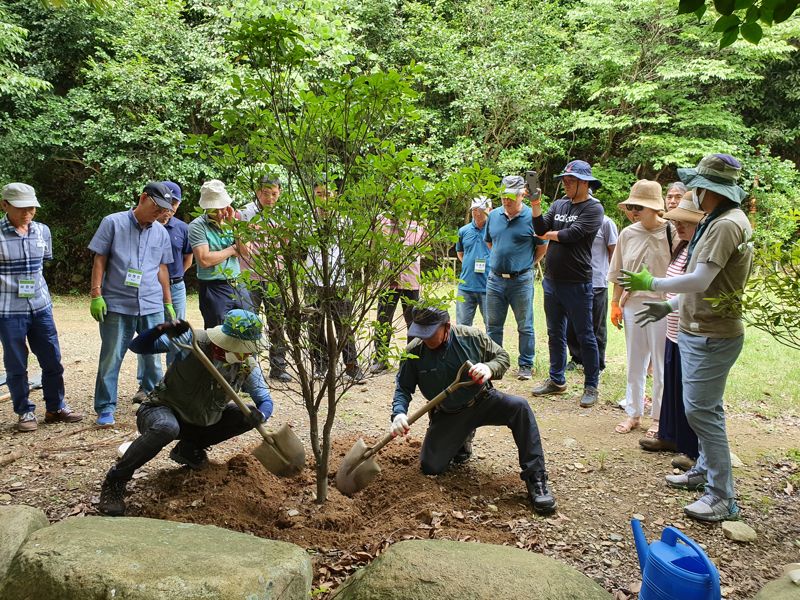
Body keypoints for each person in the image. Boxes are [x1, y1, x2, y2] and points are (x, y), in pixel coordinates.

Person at [621, 153, 753, 522]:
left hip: (713, 332)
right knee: (704, 409)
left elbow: (701, 279)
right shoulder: (718, 219)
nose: (694, 190)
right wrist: (671, 305)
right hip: (700, 327)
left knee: (702, 411)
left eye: (698, 184)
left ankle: (722, 496)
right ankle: (704, 474)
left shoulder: (727, 224)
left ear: (711, 188)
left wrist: (654, 284)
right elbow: (703, 282)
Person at [97, 309, 274, 516]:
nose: (243, 353)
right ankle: (116, 481)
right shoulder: (192, 341)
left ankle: (189, 448)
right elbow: (138, 347)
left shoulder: (246, 366)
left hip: (201, 421)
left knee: (248, 414)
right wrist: (160, 329)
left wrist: (261, 415)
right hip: (161, 410)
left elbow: (265, 400)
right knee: (166, 428)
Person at [390, 306, 556, 515]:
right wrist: (399, 413)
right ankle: (461, 441)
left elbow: (502, 357)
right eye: (421, 334)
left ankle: (536, 478)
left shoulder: (471, 337)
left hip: (483, 400)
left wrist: (489, 368)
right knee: (430, 466)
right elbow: (403, 388)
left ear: (446, 327)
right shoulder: (413, 353)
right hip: (450, 413)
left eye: (431, 334)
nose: (426, 339)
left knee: (519, 407)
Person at [88, 182, 174, 427]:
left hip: (151, 304)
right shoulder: (112, 223)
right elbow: (100, 259)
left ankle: (154, 403)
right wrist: (96, 294)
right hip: (117, 304)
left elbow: (162, 268)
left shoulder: (160, 232)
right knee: (111, 357)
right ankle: (105, 408)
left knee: (153, 358)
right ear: (143, 197)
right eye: (157, 208)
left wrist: (167, 302)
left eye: (164, 211)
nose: (160, 214)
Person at [0, 183, 82, 431]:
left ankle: (55, 408)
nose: (28, 213)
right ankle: (24, 411)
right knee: (16, 363)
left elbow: (42, 265)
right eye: (21, 208)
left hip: (40, 306)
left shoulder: (42, 231)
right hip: (8, 310)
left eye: (32, 208)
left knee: (52, 359)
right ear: (5, 205)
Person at [638, 194, 704, 473]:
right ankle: (669, 435)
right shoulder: (682, 246)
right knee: (673, 385)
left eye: (685, 222)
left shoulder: (700, 249)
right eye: (676, 221)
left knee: (689, 391)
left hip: (689, 326)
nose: (679, 226)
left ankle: (691, 449)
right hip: (674, 327)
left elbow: (694, 285)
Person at [531, 160, 604, 407]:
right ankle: (556, 380)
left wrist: (545, 235)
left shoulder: (594, 209)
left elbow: (570, 235)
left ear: (585, 182)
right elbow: (540, 225)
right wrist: (536, 204)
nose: (566, 183)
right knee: (554, 333)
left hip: (577, 282)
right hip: (551, 280)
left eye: (571, 180)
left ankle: (591, 385)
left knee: (585, 335)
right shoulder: (560, 203)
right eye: (564, 179)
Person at [607, 180, 673, 436]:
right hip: (633, 302)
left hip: (663, 304)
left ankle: (659, 417)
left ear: (655, 208)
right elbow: (618, 273)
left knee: (660, 363)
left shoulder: (672, 232)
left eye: (639, 207)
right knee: (635, 361)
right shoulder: (628, 233)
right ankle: (633, 413)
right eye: (632, 206)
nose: (634, 211)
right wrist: (615, 303)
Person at [484, 175, 548, 380]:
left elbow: (542, 248)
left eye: (511, 195)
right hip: (495, 280)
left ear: (523, 194)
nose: (506, 199)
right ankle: (496, 364)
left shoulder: (532, 217)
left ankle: (526, 365)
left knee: (525, 325)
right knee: (493, 325)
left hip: (521, 280)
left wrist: (523, 265)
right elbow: (490, 242)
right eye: (503, 194)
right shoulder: (493, 216)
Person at [134, 181, 193, 400]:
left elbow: (188, 256)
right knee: (150, 331)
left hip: (176, 286)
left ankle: (174, 380)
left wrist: (177, 277)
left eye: (176, 203)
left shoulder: (181, 228)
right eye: (170, 203)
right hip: (149, 288)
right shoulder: (145, 226)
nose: (171, 208)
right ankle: (146, 384)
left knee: (177, 332)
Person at [306, 181, 364, 383]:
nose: (324, 198)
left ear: (335, 196)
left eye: (327, 194)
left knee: (344, 326)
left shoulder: (344, 222)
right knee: (315, 325)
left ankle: (351, 366)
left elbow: (351, 252)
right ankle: (320, 365)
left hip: (339, 280)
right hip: (313, 281)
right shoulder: (306, 221)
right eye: (319, 194)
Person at [238, 175, 291, 382]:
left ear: (280, 193)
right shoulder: (245, 213)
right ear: (257, 191)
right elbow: (242, 245)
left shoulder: (281, 216)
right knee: (249, 322)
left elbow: (285, 244)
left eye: (274, 194)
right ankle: (247, 370)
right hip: (249, 276)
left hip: (273, 277)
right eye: (265, 193)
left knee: (277, 323)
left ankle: (278, 366)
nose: (270, 198)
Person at [189, 179, 251, 328]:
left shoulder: (234, 221)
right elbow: (204, 260)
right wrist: (231, 249)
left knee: (248, 328)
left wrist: (233, 226)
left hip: (237, 283)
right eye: (213, 209)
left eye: (222, 208)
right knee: (217, 334)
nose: (219, 213)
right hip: (213, 287)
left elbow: (245, 252)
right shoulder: (197, 226)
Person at [369, 216, 425, 374]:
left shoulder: (419, 223)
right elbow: (373, 248)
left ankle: (411, 359)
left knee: (413, 322)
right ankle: (380, 359)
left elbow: (424, 248)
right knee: (383, 320)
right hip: (388, 280)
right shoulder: (381, 221)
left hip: (411, 280)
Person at [565, 213, 617, 373]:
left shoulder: (606, 222)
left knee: (596, 325)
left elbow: (614, 253)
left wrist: (610, 277)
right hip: (572, 280)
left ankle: (597, 363)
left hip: (597, 282)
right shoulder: (570, 219)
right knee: (572, 324)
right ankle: (577, 358)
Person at [455, 196, 491, 328]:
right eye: (474, 210)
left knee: (491, 327)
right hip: (466, 286)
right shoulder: (463, 231)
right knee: (462, 327)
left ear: (489, 210)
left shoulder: (495, 230)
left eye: (481, 209)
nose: (477, 213)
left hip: (489, 286)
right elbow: (460, 253)